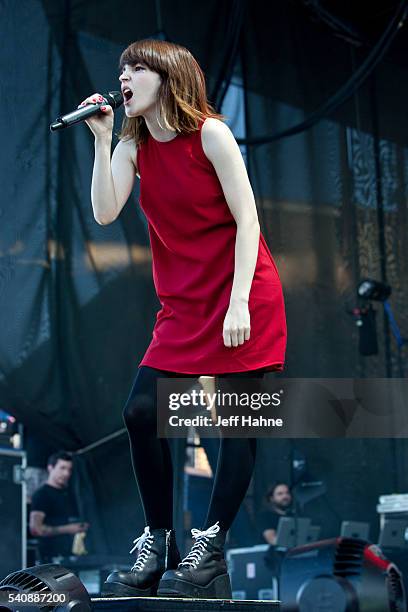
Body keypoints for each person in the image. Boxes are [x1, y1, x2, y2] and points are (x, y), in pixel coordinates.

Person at [79, 38, 287, 599]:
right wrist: (102, 142)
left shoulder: (211, 135)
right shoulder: (132, 143)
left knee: (236, 423)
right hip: (183, 305)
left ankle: (210, 549)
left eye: (136, 68)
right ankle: (160, 541)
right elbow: (104, 211)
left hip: (242, 295)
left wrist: (240, 300)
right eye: (121, 69)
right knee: (141, 411)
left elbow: (249, 221)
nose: (124, 77)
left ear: (167, 77)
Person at [29, 451, 89, 562]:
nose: (66, 473)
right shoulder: (42, 495)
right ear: (50, 468)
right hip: (49, 561)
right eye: (62, 468)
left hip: (70, 558)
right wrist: (68, 529)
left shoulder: (69, 494)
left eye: (69, 469)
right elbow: (35, 529)